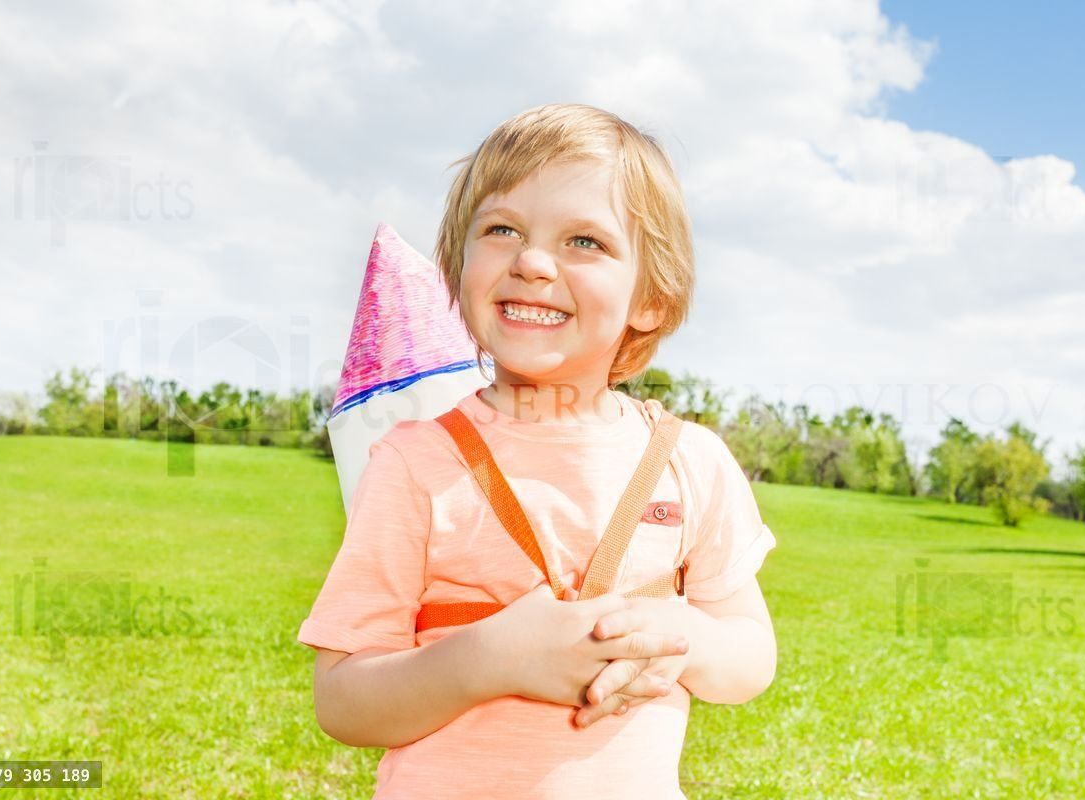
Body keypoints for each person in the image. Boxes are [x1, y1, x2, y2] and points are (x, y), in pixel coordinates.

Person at [298, 103, 778, 799]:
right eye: (501, 230)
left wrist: (678, 633)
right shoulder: (416, 465)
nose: (531, 262)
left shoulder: (690, 463)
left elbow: (750, 656)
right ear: (456, 269)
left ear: (652, 298)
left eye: (585, 242)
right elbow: (343, 701)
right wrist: (484, 660)